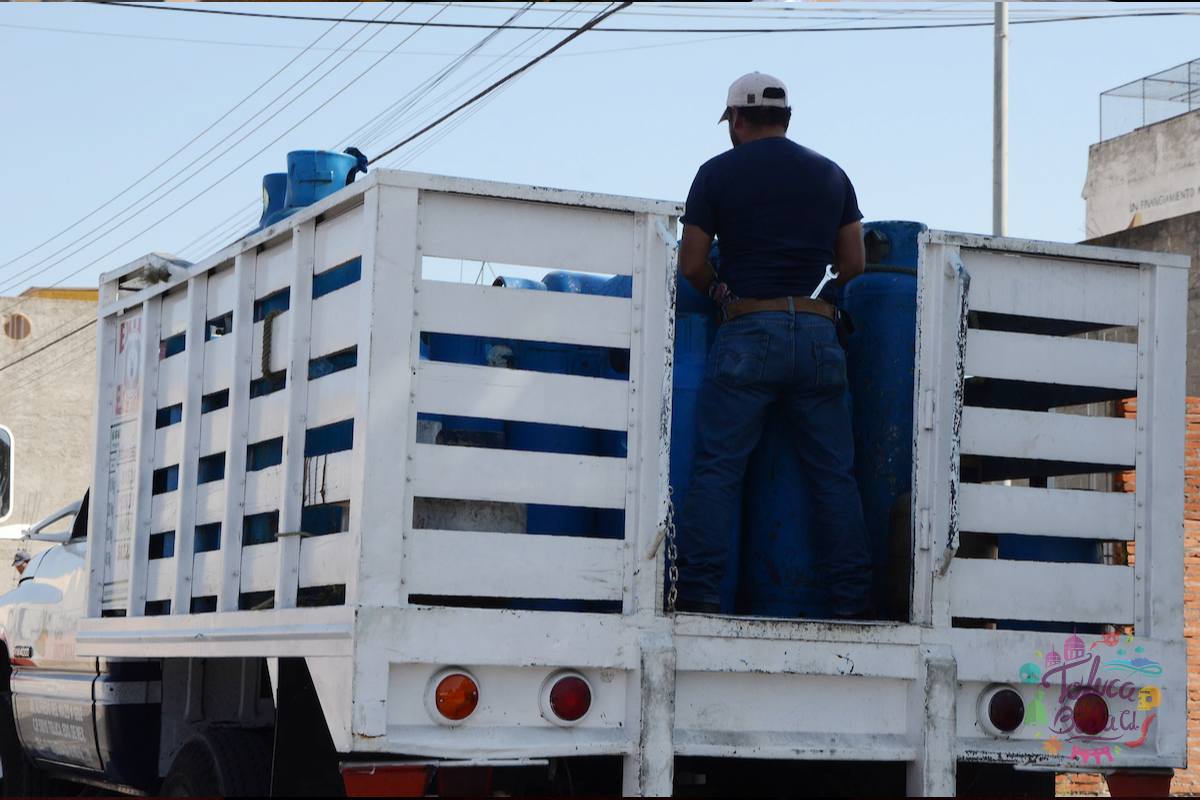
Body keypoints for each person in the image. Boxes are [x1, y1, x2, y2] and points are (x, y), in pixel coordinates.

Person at [673, 72, 873, 619]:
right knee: (833, 476)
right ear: (787, 118)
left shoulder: (716, 173)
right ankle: (852, 601)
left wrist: (720, 291)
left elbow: (691, 263)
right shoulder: (832, 174)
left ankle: (699, 595)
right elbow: (854, 262)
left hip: (747, 329)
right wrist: (814, 293)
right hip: (818, 334)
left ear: (736, 118)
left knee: (719, 468)